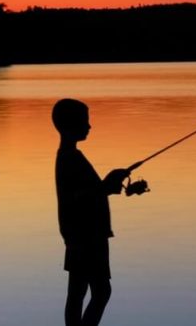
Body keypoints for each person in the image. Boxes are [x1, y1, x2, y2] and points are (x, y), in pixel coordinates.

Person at [52, 98, 130, 326]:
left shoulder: (70, 156)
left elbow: (86, 192)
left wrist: (107, 185)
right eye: (85, 121)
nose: (89, 126)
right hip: (86, 236)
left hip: (83, 235)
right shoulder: (69, 158)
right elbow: (78, 197)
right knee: (98, 292)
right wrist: (106, 186)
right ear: (69, 125)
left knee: (81, 291)